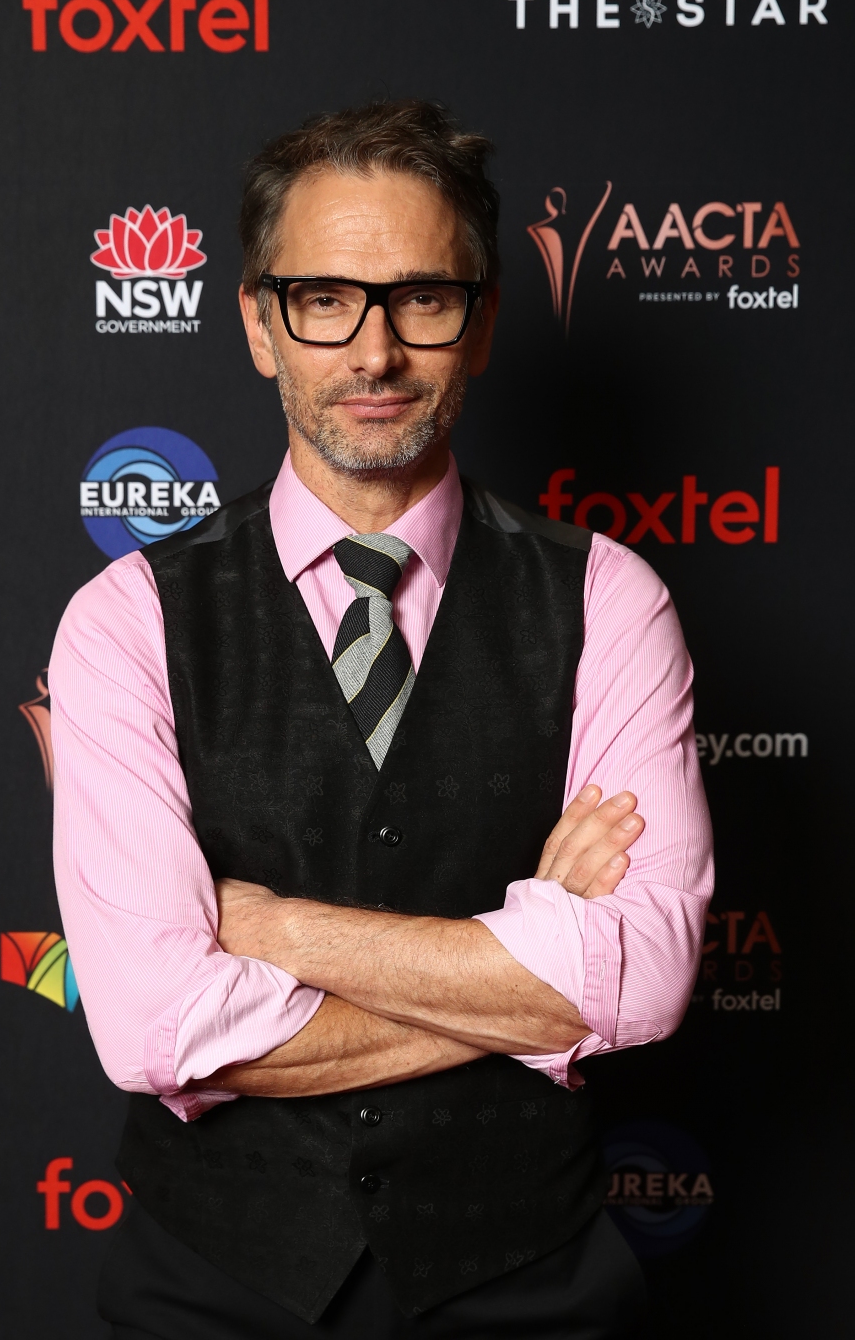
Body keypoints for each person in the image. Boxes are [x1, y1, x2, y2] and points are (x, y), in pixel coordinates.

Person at [50, 99, 713, 1339]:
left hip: (529, 1279)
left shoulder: (607, 598)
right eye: (323, 299)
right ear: (259, 325)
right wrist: (532, 976)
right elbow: (152, 1022)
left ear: (483, 321)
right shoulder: (125, 618)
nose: (375, 351)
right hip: (213, 1286)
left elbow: (644, 980)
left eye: (422, 298)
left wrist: (268, 926)